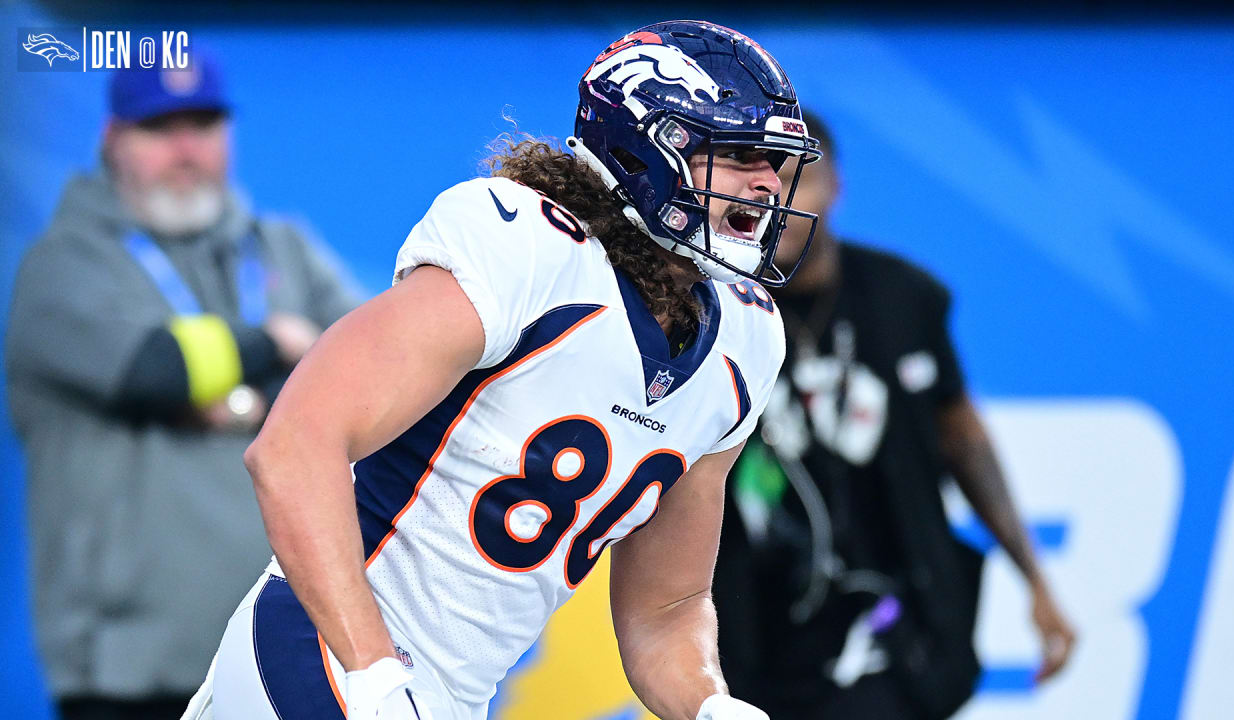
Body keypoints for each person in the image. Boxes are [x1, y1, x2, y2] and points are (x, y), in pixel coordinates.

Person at [182, 20, 823, 720]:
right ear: (645, 150)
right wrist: (372, 679)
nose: (767, 184)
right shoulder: (526, 247)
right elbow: (293, 447)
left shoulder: (746, 339)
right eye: (737, 153)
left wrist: (710, 706)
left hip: (451, 698)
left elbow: (667, 607)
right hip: (326, 646)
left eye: (775, 161)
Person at [5, 55, 361, 720]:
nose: (185, 147)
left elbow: (374, 372)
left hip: (279, 658)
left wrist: (236, 396)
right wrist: (278, 342)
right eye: (159, 126)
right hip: (129, 672)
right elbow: (155, 369)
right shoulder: (64, 262)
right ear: (113, 138)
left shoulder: (280, 246)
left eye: (202, 122)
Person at [711, 110, 1077, 720]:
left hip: (893, 620)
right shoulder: (712, 309)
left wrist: (1035, 579)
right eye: (756, 184)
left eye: (796, 177)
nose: (778, 202)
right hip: (754, 626)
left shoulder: (904, 298)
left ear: (835, 185)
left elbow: (964, 441)